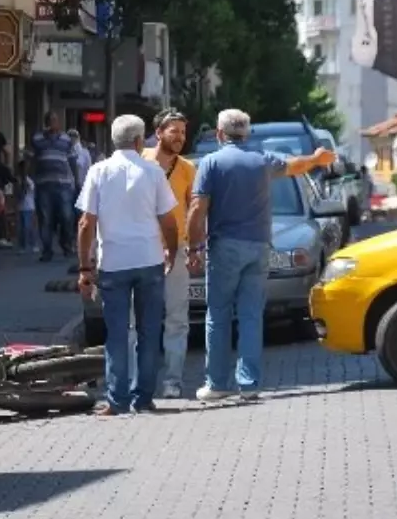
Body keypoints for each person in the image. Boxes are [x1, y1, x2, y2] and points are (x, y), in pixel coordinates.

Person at [187, 109, 335, 402]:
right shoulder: (261, 160)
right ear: (247, 134)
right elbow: (295, 166)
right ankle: (250, 383)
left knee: (217, 314)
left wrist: (193, 247)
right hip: (259, 245)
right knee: (251, 316)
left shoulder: (211, 163)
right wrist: (318, 159)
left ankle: (217, 383)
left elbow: (197, 209)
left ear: (219, 134)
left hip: (225, 246)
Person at [76, 114, 180, 416]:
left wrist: (85, 267)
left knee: (117, 333)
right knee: (149, 331)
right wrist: (171, 252)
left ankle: (117, 400)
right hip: (149, 259)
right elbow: (169, 221)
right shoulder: (153, 172)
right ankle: (143, 398)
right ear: (139, 141)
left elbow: (86, 223)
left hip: (114, 263)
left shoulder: (98, 171)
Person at [136, 108, 197, 398]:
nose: (180, 137)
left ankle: (173, 380)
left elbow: (194, 210)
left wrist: (196, 245)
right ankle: (139, 379)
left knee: (176, 317)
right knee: (140, 319)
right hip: (143, 249)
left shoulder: (187, 169)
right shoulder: (140, 160)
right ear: (158, 133)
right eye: (174, 131)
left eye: (183, 132)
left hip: (177, 250)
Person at [30, 112, 80, 262]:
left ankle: (67, 245)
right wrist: (27, 179)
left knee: (66, 216)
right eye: (49, 120)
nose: (52, 123)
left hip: (63, 185)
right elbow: (31, 160)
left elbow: (72, 162)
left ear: (59, 123)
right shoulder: (37, 139)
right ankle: (47, 250)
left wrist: (76, 182)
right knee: (45, 218)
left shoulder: (66, 140)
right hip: (43, 185)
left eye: (54, 120)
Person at [16, 159, 38, 254]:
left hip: (30, 206)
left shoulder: (29, 180)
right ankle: (22, 246)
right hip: (22, 207)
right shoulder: (19, 180)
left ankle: (33, 244)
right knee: (22, 228)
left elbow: (28, 192)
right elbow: (19, 193)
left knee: (29, 227)